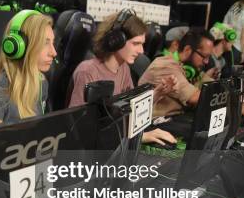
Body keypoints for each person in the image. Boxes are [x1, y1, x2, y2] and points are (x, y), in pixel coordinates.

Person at [68, 10, 177, 146]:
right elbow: (80, 130)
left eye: (142, 44)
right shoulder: (87, 71)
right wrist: (139, 137)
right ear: (115, 40)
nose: (142, 51)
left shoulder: (123, 68)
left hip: (114, 148)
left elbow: (131, 113)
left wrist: (157, 93)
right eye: (136, 43)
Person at [0, 10, 57, 125]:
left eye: (53, 43)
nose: (54, 53)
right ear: (20, 46)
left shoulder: (42, 83)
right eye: (45, 43)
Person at [139, 30, 216, 117]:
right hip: (156, 124)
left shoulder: (190, 68)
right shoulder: (166, 65)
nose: (207, 61)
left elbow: (211, 85)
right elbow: (195, 97)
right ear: (187, 50)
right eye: (204, 56)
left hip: (174, 120)